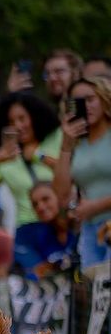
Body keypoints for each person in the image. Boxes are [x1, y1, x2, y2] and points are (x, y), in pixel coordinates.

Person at [0, 93, 61, 226]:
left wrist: (39, 155)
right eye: (11, 122)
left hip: (61, 224)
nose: (18, 126)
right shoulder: (6, 159)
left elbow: (70, 174)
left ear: (34, 116)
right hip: (27, 228)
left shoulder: (56, 139)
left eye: (22, 118)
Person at [53, 77, 111, 273]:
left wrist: (96, 206)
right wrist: (65, 145)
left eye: (90, 99)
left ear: (104, 99)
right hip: (90, 229)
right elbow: (61, 195)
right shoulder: (77, 144)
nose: (85, 106)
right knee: (92, 287)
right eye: (78, 102)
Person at [14, 182, 77, 280]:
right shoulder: (31, 233)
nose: (40, 207)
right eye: (35, 204)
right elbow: (36, 273)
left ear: (60, 197)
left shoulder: (80, 225)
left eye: (46, 199)